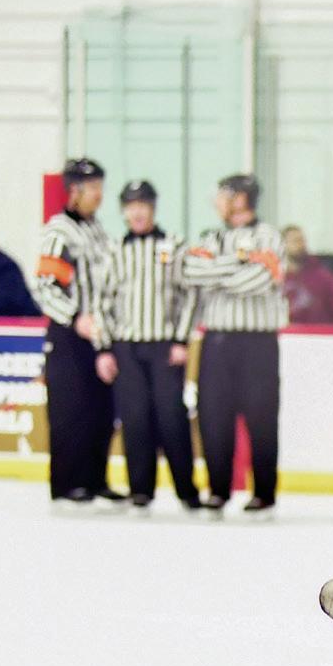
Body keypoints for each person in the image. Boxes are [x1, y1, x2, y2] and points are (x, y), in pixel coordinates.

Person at [181, 173, 287, 513]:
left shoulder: (268, 236)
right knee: (213, 416)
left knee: (261, 418)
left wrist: (217, 272)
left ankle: (264, 492)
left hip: (257, 343)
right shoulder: (210, 236)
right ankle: (218, 490)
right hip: (217, 342)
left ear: (240, 199)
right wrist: (240, 263)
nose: (216, 202)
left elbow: (259, 279)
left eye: (222, 195)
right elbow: (190, 271)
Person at [104, 180, 202, 509]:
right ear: (123, 211)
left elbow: (189, 295)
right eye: (131, 206)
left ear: (153, 208)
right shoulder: (115, 249)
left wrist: (181, 339)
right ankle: (140, 489)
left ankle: (186, 490)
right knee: (135, 418)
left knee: (172, 417)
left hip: (164, 345)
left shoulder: (173, 245)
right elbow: (104, 300)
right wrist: (105, 346)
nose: (137, 212)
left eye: (143, 205)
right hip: (127, 345)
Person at [33, 157, 122, 505]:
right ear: (74, 190)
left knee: (101, 411)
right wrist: (74, 317)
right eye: (93, 188)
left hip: (98, 337)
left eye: (100, 187)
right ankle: (68, 484)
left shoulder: (98, 231)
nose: (99, 194)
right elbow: (46, 286)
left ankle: (95, 479)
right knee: (70, 411)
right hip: (69, 337)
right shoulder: (59, 231)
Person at [280, 226, 333, 325]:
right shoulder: (273, 279)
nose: (301, 245)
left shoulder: (325, 278)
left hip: (317, 333)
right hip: (284, 333)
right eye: (295, 241)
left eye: (302, 240)